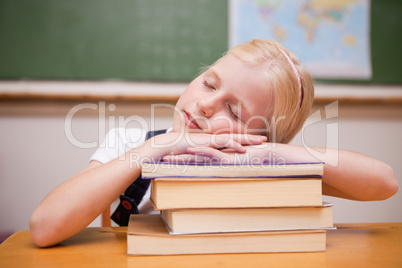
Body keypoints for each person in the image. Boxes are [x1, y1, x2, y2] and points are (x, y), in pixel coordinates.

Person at [30, 39, 398, 247]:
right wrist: (153, 150)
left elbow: (384, 183)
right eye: (209, 83)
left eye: (234, 112)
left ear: (257, 134)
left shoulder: (263, 165)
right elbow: (45, 228)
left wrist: (271, 152)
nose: (205, 104)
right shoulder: (129, 142)